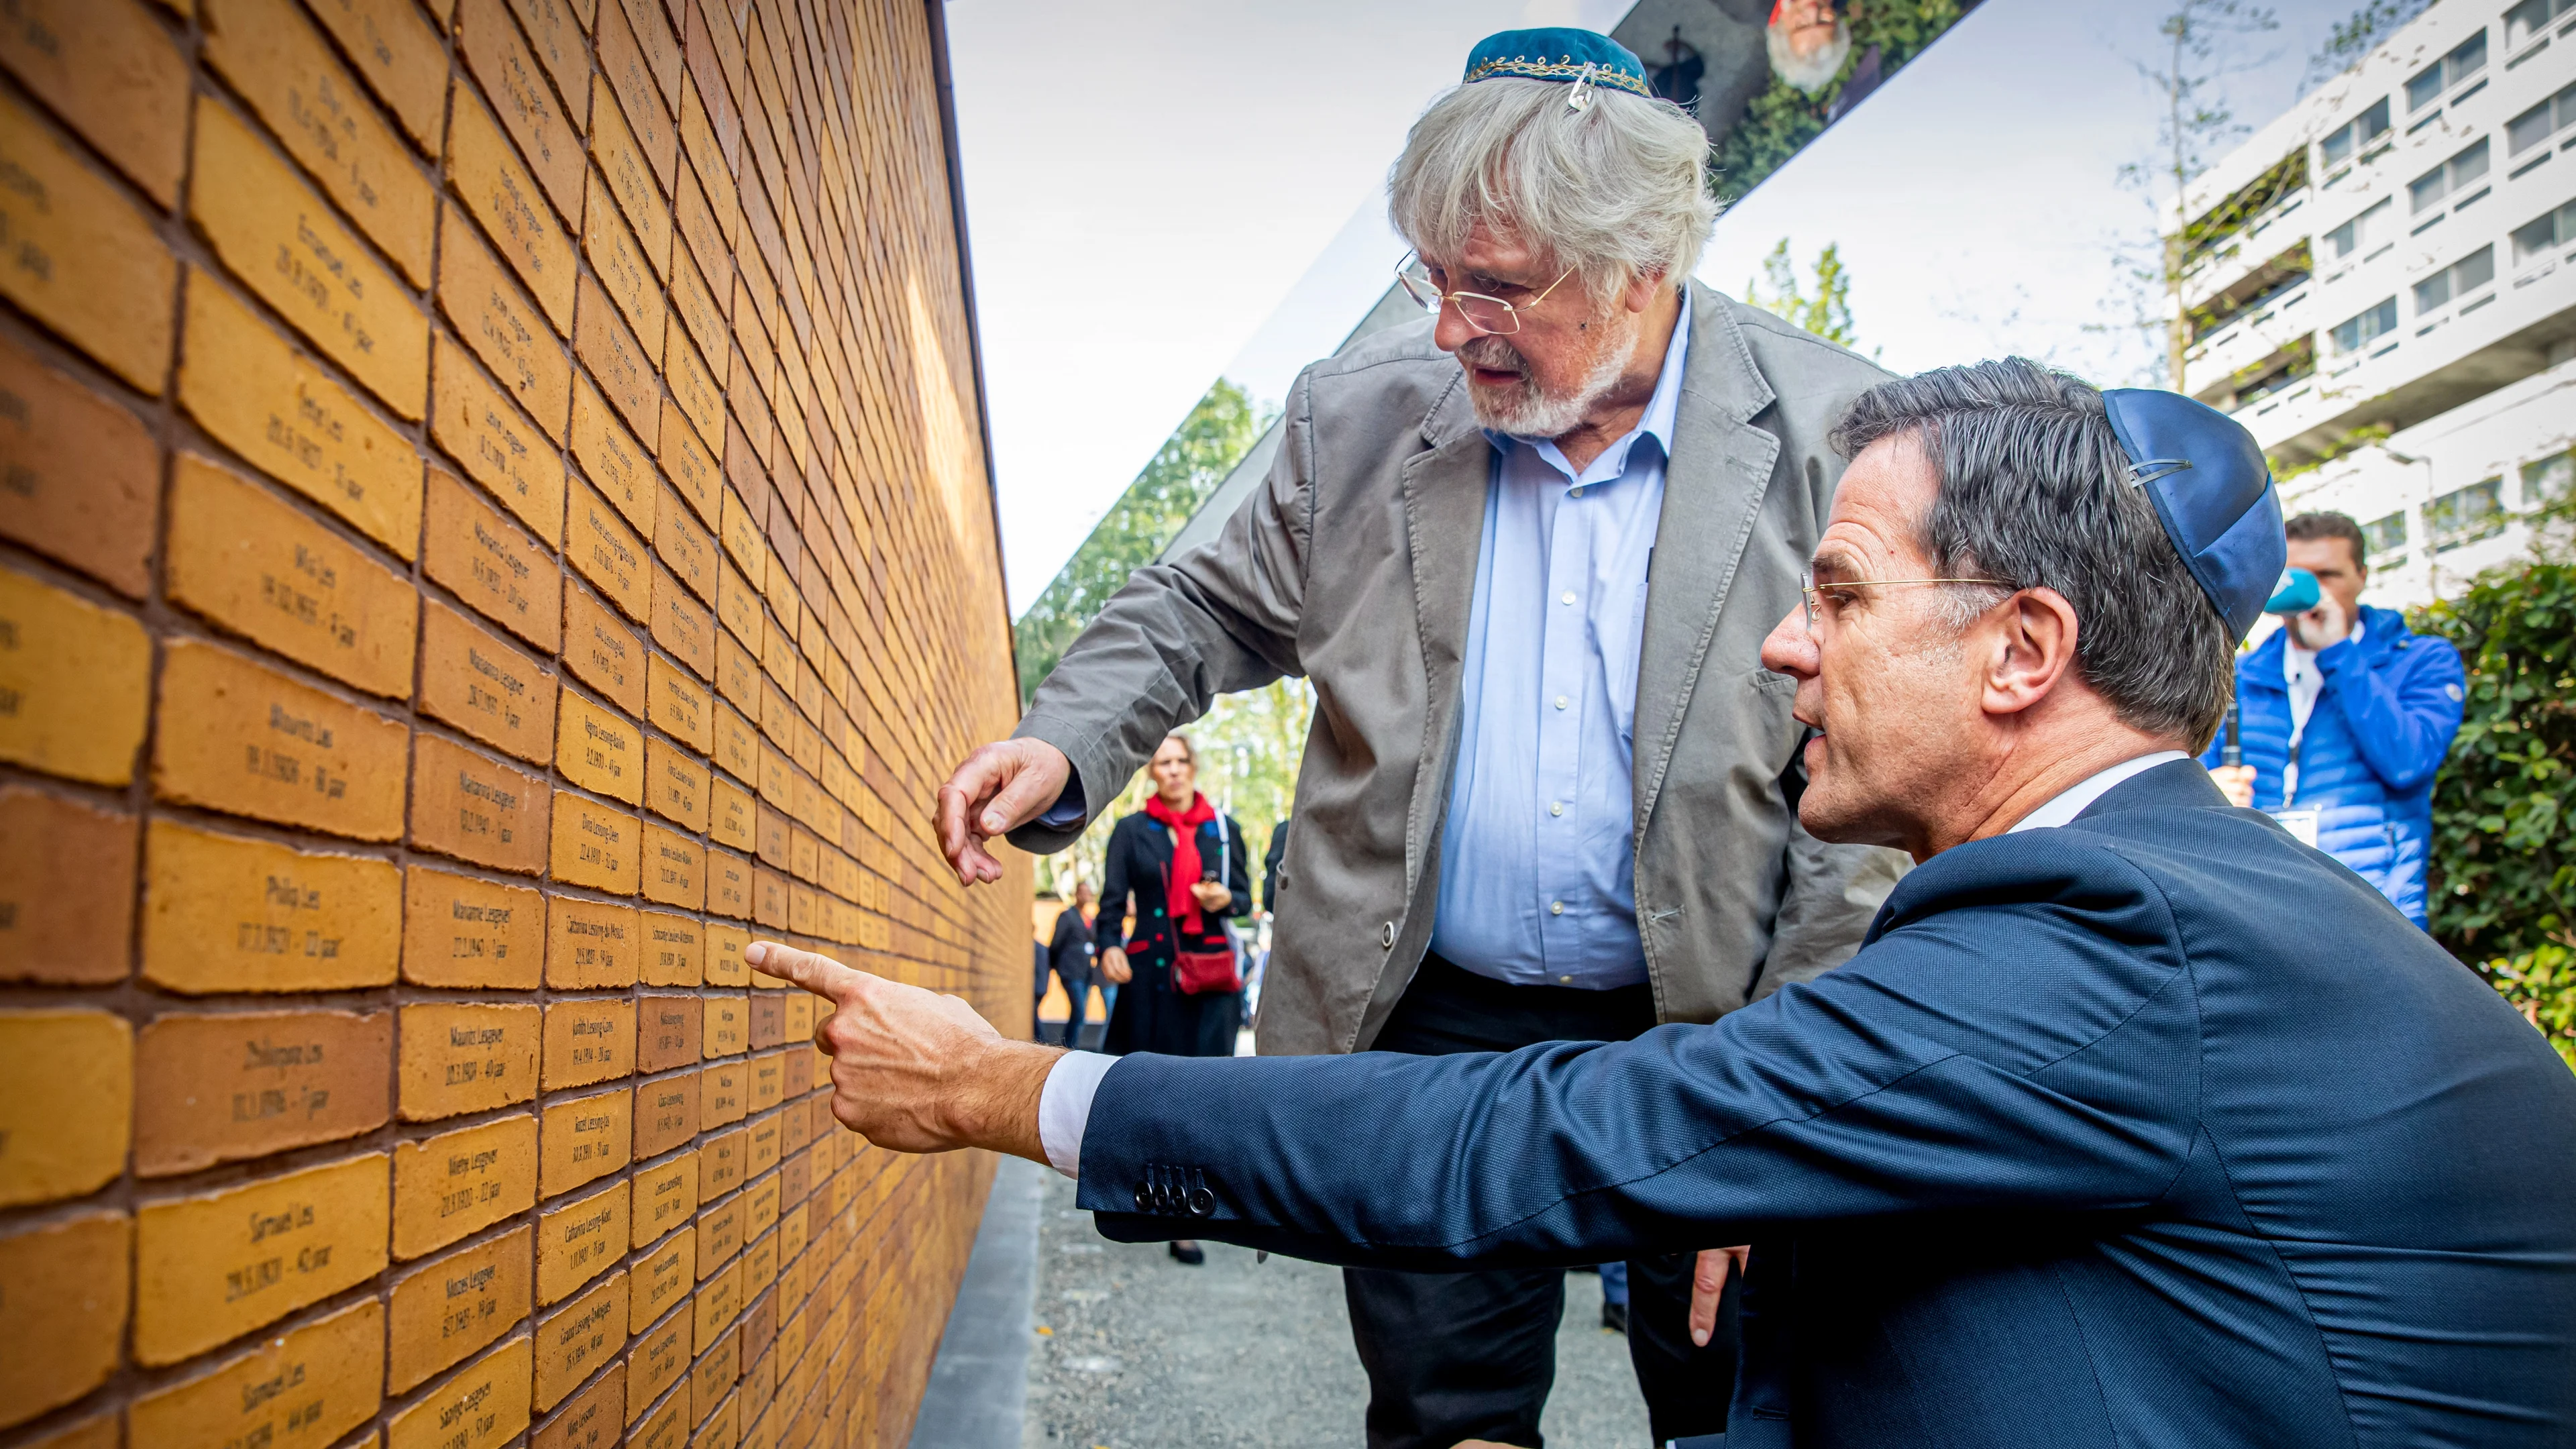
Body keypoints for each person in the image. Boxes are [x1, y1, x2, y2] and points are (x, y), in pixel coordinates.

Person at [758, 362, 2576, 1446]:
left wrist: (1008, 1092)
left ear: (2026, 652)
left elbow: (1550, 1136)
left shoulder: (2115, 939)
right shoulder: (2141, 891)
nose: (1787, 642)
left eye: (1844, 597)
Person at [930, 30, 1904, 1446]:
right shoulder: (1358, 416)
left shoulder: (1838, 429)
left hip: (1719, 1020)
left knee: (1735, 1396)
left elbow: (1869, 795)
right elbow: (1198, 602)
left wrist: (1791, 1086)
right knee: (1450, 1414)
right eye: (1431, 279)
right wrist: (1071, 743)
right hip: (1433, 1022)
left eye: (1494, 287)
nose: (1449, 330)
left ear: (1642, 268)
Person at [2202, 511, 2464, 927]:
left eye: (2328, 576)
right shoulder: (2238, 676)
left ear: (2361, 576)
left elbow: (2408, 762)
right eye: (2297, 578)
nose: (2312, 594)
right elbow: (2192, 774)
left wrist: (2339, 653)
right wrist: (2209, 793)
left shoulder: (2420, 661)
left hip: (2377, 910)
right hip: (2268, 906)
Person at [1097, 733, 1252, 1265]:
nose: (1174, 770)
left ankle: (1191, 1213)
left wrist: (1224, 897)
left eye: (1181, 760)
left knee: (1206, 1099)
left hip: (1209, 986)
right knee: (1150, 1094)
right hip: (1152, 983)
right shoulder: (1132, 831)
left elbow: (1249, 899)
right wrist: (1108, 947)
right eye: (1163, 762)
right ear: (1152, 773)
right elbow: (1112, 904)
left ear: (1193, 766)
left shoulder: (1223, 831)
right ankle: (1148, 1200)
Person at [1042, 880, 1101, 1049]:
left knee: (1080, 1014)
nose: (1086, 895)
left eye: (1088, 891)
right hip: (1070, 971)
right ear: (1076, 894)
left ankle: (1068, 1048)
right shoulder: (1067, 916)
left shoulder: (1089, 920)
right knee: (1079, 1012)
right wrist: (1055, 966)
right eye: (1082, 891)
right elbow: (1055, 943)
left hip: (1086, 973)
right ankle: (1067, 1049)